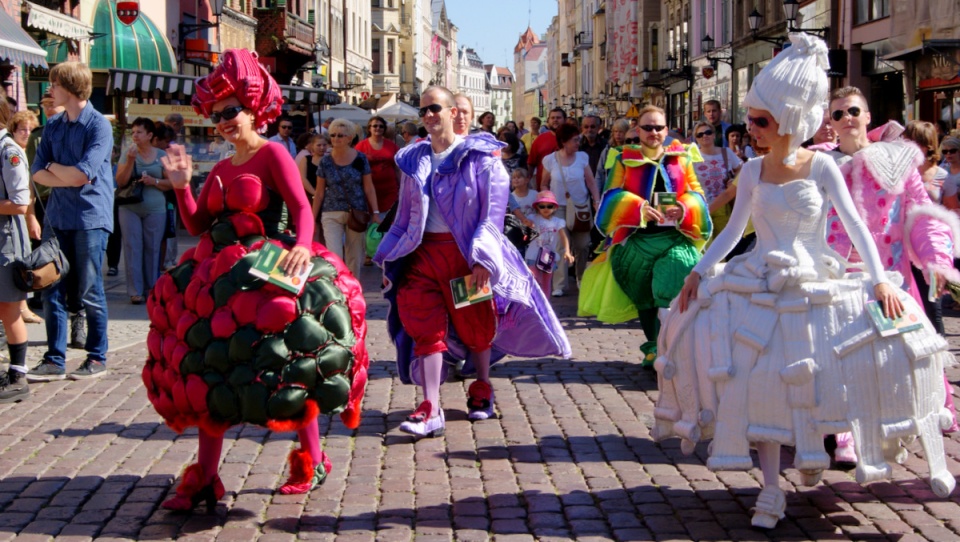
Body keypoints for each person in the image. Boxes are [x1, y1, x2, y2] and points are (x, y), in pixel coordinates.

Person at [661, 34, 955, 530]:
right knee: (758, 379)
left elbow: (857, 225)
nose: (750, 129)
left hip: (814, 281)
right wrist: (698, 271)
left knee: (816, 379)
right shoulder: (753, 170)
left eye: (760, 120)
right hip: (761, 282)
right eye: (751, 118)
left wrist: (881, 280)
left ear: (790, 118)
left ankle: (823, 454)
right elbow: (734, 230)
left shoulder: (820, 165)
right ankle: (771, 488)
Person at [153, 48, 369, 511]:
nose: (224, 121)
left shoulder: (273, 153)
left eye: (231, 111)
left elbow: (302, 209)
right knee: (212, 366)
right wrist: (181, 185)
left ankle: (312, 457)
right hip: (222, 277)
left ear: (254, 107)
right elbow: (196, 225)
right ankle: (206, 475)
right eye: (216, 115)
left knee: (290, 364)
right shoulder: (223, 168)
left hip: (269, 270)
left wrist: (299, 248)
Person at [374, 86, 570, 438]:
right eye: (423, 111)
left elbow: (491, 218)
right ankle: (430, 406)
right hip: (421, 258)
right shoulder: (413, 160)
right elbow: (404, 216)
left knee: (475, 325)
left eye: (435, 108)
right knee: (425, 328)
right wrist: (388, 257)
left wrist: (482, 259)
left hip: (464, 258)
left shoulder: (483, 161)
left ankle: (481, 386)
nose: (429, 116)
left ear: (453, 112)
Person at [824, 87, 960, 449]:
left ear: (868, 117)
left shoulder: (898, 162)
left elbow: (923, 216)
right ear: (830, 123)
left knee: (896, 355)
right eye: (837, 114)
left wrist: (937, 263)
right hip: (836, 278)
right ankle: (846, 430)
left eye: (853, 110)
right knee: (841, 354)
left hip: (889, 278)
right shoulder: (819, 165)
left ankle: (897, 421)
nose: (846, 118)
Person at [579, 106, 710, 367]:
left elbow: (698, 194)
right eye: (647, 127)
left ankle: (671, 346)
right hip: (636, 241)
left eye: (658, 127)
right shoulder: (622, 159)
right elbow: (610, 195)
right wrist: (637, 208)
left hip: (674, 238)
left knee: (670, 289)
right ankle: (653, 346)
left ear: (666, 129)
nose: (653, 132)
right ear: (637, 130)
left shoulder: (681, 159)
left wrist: (684, 206)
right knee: (645, 298)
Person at [28, 61, 113, 381]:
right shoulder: (53, 125)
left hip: (90, 218)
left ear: (71, 87)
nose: (50, 89)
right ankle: (54, 357)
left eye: (55, 84)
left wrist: (59, 172)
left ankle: (96, 356)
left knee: (90, 289)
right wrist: (69, 176)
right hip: (58, 216)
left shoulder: (98, 126)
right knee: (50, 287)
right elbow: (37, 173)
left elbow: (83, 175)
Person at [313, 119, 380, 277]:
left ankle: (353, 288)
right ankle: (338, 290)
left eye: (340, 135)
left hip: (357, 212)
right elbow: (320, 192)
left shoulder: (360, 158)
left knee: (355, 256)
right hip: (331, 212)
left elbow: (369, 187)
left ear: (350, 137)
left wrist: (375, 212)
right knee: (334, 256)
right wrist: (311, 218)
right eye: (333, 135)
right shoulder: (326, 161)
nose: (336, 139)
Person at [0, 100, 35, 402]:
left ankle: (18, 375)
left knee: (10, 309)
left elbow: (20, 202)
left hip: (6, 241)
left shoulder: (8, 150)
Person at [114, 118, 170, 304]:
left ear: (149, 135)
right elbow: (120, 181)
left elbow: (171, 183)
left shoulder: (162, 155)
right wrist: (130, 161)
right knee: (132, 247)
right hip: (129, 207)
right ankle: (135, 291)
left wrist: (154, 182)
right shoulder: (128, 154)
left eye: (139, 132)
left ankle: (152, 288)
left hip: (155, 208)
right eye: (133, 132)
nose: (135, 136)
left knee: (153, 248)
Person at [903, 120, 951, 334]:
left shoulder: (942, 176)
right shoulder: (901, 173)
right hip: (907, 245)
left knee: (933, 305)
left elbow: (950, 212)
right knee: (912, 301)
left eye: (913, 141)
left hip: (932, 246)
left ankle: (939, 352)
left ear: (926, 145)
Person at [541, 123, 599, 296]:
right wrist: (546, 200)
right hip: (557, 209)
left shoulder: (582, 158)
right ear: (564, 142)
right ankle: (559, 285)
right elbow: (544, 183)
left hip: (580, 209)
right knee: (560, 246)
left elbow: (590, 181)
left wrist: (596, 200)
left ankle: (581, 278)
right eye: (574, 140)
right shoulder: (550, 159)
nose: (578, 143)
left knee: (582, 245)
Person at [9, 110, 42, 325]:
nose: (27, 133)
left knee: (25, 256)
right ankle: (21, 306)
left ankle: (23, 305)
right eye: (23, 129)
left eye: (30, 129)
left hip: (26, 209)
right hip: (16, 211)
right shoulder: (12, 153)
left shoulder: (27, 154)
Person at [692, 120, 743, 240]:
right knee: (704, 246)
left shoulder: (726, 153)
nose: (704, 136)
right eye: (700, 134)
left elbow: (742, 170)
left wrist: (735, 180)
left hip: (724, 206)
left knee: (722, 245)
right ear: (696, 139)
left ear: (714, 135)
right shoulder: (692, 156)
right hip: (700, 207)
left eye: (708, 132)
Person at [525, 190, 573, 296]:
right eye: (542, 206)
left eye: (549, 206)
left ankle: (546, 306)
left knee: (547, 282)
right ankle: (534, 304)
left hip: (548, 257)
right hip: (533, 255)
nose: (546, 209)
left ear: (555, 207)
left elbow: (563, 237)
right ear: (537, 207)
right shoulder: (533, 218)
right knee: (533, 279)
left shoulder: (557, 222)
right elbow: (525, 224)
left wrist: (567, 251)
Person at [355, 115, 400, 215]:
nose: (378, 128)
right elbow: (355, 169)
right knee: (371, 222)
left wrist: (401, 186)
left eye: (381, 126)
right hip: (368, 191)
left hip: (389, 191)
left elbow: (397, 169)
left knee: (388, 220)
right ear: (369, 128)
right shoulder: (361, 146)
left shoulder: (392, 146)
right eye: (375, 126)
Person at [528, 108, 565, 190]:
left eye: (558, 118)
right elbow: (531, 164)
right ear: (548, 121)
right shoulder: (540, 139)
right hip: (544, 188)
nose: (555, 120)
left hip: (566, 188)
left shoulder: (571, 139)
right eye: (552, 118)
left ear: (564, 120)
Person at [595, 119, 630, 192]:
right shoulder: (607, 151)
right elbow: (600, 173)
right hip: (609, 191)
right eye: (616, 131)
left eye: (621, 132)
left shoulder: (630, 150)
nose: (618, 134)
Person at [296, 133, 328, 202]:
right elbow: (303, 178)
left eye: (324, 145)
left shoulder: (329, 160)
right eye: (319, 145)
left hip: (325, 195)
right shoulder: (306, 159)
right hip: (308, 195)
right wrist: (314, 193)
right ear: (313, 146)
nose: (322, 148)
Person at [940, 136, 960, 212]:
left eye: (952, 151)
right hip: (947, 212)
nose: (948, 154)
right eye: (945, 152)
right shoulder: (943, 170)